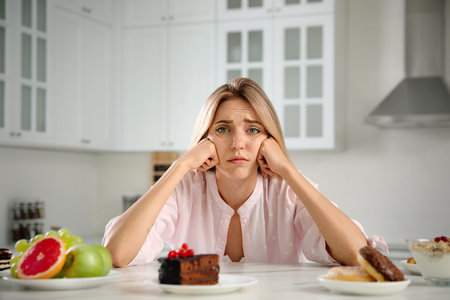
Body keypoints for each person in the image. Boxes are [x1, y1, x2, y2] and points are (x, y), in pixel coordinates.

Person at [103, 78, 385, 267]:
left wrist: (287, 168)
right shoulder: (186, 188)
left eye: (253, 130)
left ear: (269, 139)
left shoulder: (287, 190)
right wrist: (180, 166)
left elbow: (358, 255)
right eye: (223, 129)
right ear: (205, 139)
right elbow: (117, 253)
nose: (238, 143)